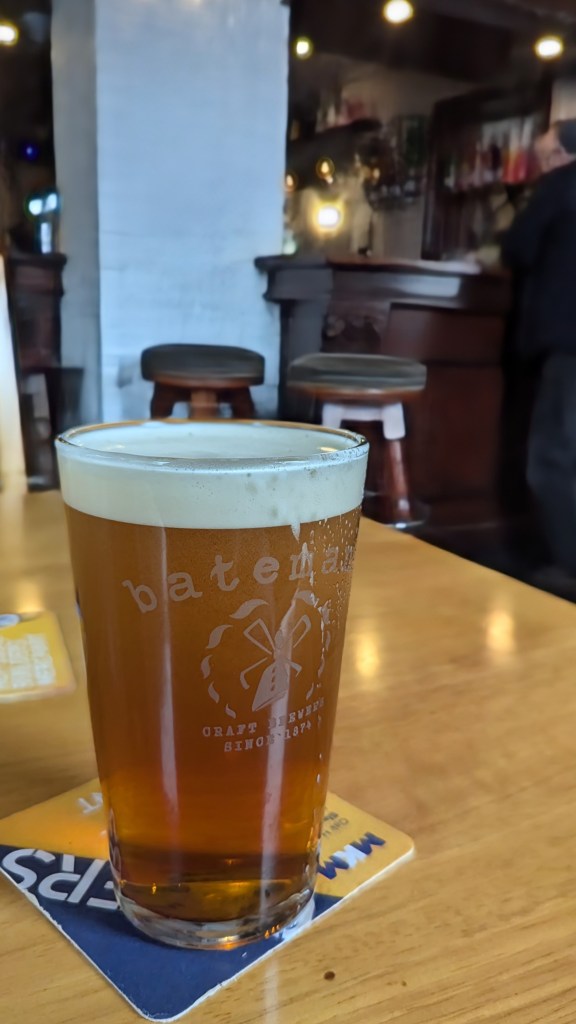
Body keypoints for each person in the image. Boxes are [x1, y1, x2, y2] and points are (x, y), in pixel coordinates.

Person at [501, 119, 576, 582]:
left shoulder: (562, 184)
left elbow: (518, 247)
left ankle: (567, 566)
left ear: (563, 155)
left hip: (567, 343)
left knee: (553, 457)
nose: (541, 166)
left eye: (545, 156)